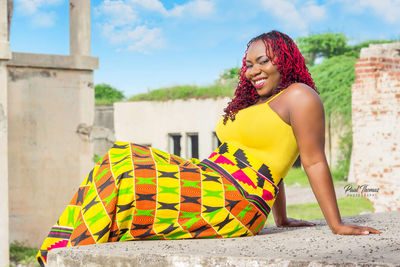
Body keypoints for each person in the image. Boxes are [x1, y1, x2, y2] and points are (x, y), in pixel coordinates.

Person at [36, 30, 381, 266]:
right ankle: (60, 254)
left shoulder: (301, 97)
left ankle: (56, 256)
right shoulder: (253, 103)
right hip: (209, 180)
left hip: (234, 201)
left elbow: (313, 160)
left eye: (264, 61)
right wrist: (281, 217)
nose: (254, 70)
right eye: (249, 64)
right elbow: (269, 156)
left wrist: (335, 225)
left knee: (124, 166)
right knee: (118, 157)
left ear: (285, 59)